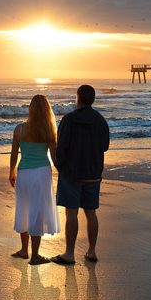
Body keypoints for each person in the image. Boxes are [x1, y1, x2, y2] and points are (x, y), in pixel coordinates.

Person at [50, 84, 110, 265]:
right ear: (92, 99)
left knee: (72, 213)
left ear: (78, 98)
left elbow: (62, 150)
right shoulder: (100, 120)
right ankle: (91, 251)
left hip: (73, 173)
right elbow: (105, 146)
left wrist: (59, 166)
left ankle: (69, 253)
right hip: (93, 173)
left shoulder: (69, 120)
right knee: (91, 213)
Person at [9, 94, 61, 264]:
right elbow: (54, 157)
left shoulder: (19, 129)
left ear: (31, 109)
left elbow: (14, 154)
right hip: (41, 173)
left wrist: (12, 172)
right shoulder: (48, 130)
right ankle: (35, 255)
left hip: (23, 173)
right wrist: (63, 171)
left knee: (23, 209)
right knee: (36, 211)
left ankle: (24, 250)